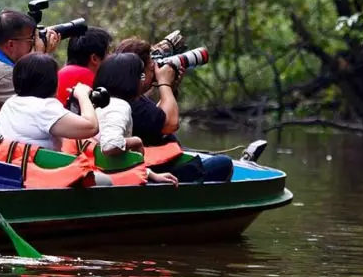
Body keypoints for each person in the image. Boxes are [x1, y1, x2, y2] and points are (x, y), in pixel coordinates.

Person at [114, 37, 234, 183]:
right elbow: (169, 124)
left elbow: (154, 119)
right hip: (157, 171)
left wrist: (172, 88)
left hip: (150, 165)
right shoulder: (130, 101)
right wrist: (165, 84)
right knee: (223, 164)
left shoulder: (124, 94)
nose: (156, 71)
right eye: (152, 67)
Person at [0, 53, 112, 186]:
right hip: (34, 175)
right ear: (52, 83)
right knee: (105, 181)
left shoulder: (12, 102)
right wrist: (83, 95)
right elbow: (91, 127)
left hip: (8, 169)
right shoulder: (45, 108)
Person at [93, 53, 179, 187]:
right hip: (112, 176)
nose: (143, 81)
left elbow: (121, 156)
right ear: (130, 81)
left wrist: (150, 174)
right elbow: (111, 145)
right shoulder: (119, 106)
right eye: (141, 76)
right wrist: (137, 142)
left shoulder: (100, 103)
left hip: (106, 168)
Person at [56, 26, 112, 105]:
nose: (111, 56)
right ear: (94, 59)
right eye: (108, 52)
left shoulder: (59, 74)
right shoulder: (90, 79)